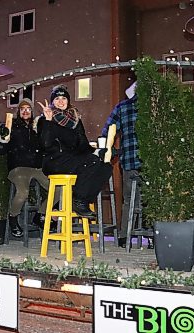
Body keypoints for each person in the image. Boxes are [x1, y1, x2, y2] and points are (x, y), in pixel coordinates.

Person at [37, 85, 112, 217]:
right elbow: (45, 144)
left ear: (68, 101)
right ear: (52, 102)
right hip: (55, 161)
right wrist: (48, 121)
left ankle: (81, 200)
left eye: (64, 98)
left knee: (105, 167)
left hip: (73, 159)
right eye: (57, 99)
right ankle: (78, 199)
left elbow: (83, 144)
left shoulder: (75, 120)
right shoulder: (45, 119)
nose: (61, 101)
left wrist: (98, 151)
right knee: (91, 162)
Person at [102, 81, 149, 248]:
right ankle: (151, 234)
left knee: (129, 200)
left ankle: (124, 236)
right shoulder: (155, 106)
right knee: (151, 200)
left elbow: (108, 130)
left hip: (130, 160)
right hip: (151, 161)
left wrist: (110, 150)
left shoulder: (122, 107)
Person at [0, 98, 51, 238]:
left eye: (28, 109)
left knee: (59, 190)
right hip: (18, 168)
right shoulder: (12, 127)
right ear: (18, 111)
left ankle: (40, 215)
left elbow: (48, 143)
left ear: (32, 111)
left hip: (37, 168)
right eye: (22, 109)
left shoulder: (37, 127)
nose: (25, 111)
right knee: (23, 192)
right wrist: (3, 139)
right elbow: (0, 150)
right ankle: (13, 218)